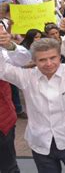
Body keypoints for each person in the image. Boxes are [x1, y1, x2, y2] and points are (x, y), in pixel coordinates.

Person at [0, 20, 65, 173]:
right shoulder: (26, 77)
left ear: (59, 57)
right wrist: (7, 45)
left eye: (53, 58)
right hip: (41, 143)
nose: (49, 64)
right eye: (42, 60)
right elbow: (2, 69)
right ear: (34, 61)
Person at [0, 27, 32, 173]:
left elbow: (23, 59)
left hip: (2, 120)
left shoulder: (2, 51)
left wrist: (10, 45)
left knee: (8, 166)